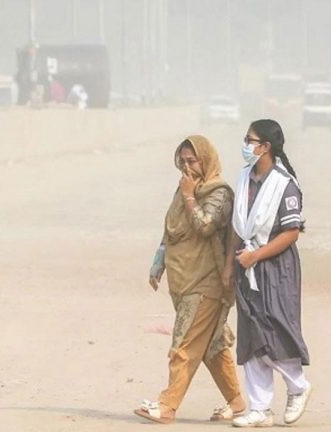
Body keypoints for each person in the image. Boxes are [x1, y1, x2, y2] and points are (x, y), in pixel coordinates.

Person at [134, 135, 246, 424]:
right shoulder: (184, 188)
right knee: (212, 347)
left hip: (207, 283)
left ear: (205, 160)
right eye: (182, 161)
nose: (186, 167)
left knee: (183, 344)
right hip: (183, 279)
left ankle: (167, 406)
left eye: (192, 161)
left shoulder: (219, 193)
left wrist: (189, 196)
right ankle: (236, 402)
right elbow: (171, 229)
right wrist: (158, 263)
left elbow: (204, 225)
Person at [224, 119, 312, 427]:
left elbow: (291, 232)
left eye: (250, 140)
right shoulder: (244, 178)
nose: (245, 145)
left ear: (265, 146)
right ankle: (259, 407)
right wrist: (229, 265)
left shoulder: (284, 184)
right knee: (251, 333)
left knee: (275, 329)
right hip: (245, 264)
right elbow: (238, 227)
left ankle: (298, 386)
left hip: (275, 267)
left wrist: (256, 256)